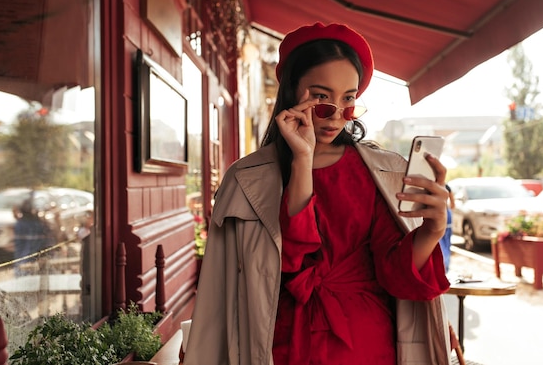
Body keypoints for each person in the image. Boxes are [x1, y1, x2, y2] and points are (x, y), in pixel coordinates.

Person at [184, 22, 452, 365]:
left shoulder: (382, 172)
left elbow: (397, 277)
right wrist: (302, 158)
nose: (336, 115)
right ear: (292, 91)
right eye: (321, 98)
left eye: (349, 99)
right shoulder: (247, 179)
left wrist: (432, 231)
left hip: (366, 344)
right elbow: (248, 280)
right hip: (276, 342)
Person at [439, 184, 456, 272]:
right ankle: (446, 267)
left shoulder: (435, 185)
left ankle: (443, 266)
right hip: (447, 214)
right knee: (447, 243)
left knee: (439, 242)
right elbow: (453, 204)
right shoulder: (447, 187)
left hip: (439, 214)